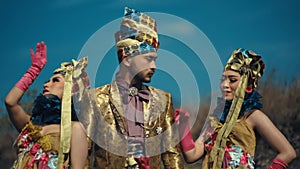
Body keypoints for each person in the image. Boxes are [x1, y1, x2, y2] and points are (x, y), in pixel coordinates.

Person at [87, 7, 184, 169]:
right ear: (126, 57)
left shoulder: (163, 99)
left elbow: (172, 154)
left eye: (154, 59)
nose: (154, 66)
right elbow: (82, 153)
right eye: (148, 59)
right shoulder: (95, 98)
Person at [175, 48, 297, 169]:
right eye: (222, 80)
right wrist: (183, 125)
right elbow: (192, 155)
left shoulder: (253, 116)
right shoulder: (216, 119)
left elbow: (288, 153)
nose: (225, 85)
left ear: (247, 84)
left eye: (232, 80)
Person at [5, 41, 89, 169]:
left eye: (55, 80)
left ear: (70, 89)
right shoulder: (31, 126)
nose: (46, 85)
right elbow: (10, 102)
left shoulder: (76, 128)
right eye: (47, 81)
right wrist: (33, 71)